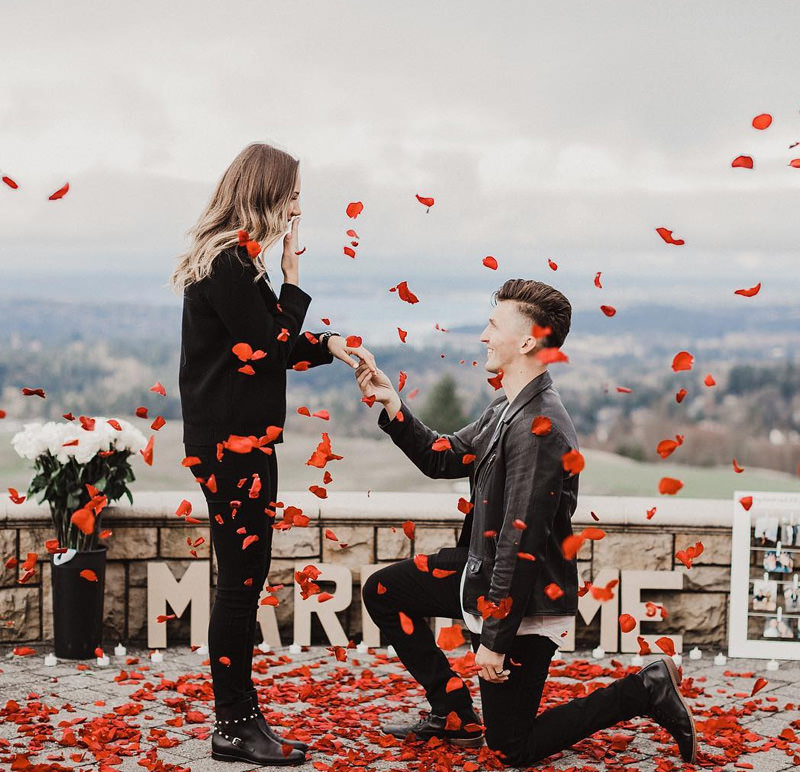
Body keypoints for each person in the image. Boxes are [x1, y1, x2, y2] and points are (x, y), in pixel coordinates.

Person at [356, 279, 696, 767]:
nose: (483, 336)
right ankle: (454, 713)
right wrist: (391, 403)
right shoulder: (507, 407)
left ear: (528, 340)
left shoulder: (541, 428)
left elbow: (520, 541)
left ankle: (644, 689)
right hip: (483, 572)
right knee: (385, 591)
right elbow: (443, 457)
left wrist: (494, 640)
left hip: (523, 597)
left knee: (511, 747)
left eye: (494, 325)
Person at [170, 142, 377, 766]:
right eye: (291, 192)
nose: (296, 204)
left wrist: (334, 346)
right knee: (238, 586)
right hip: (231, 447)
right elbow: (267, 343)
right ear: (265, 192)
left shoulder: (238, 262)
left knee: (244, 580)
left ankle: (244, 715)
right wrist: (293, 278)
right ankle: (232, 724)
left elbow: (279, 344)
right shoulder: (231, 264)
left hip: (241, 443)